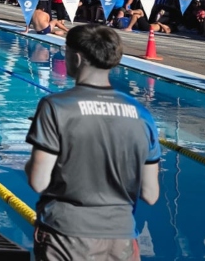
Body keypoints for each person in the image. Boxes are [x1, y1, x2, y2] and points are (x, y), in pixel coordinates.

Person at [25, 24, 160, 261]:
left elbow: (38, 181)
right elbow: (150, 194)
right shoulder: (142, 114)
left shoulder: (56, 107)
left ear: (76, 57)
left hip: (66, 236)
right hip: (122, 238)